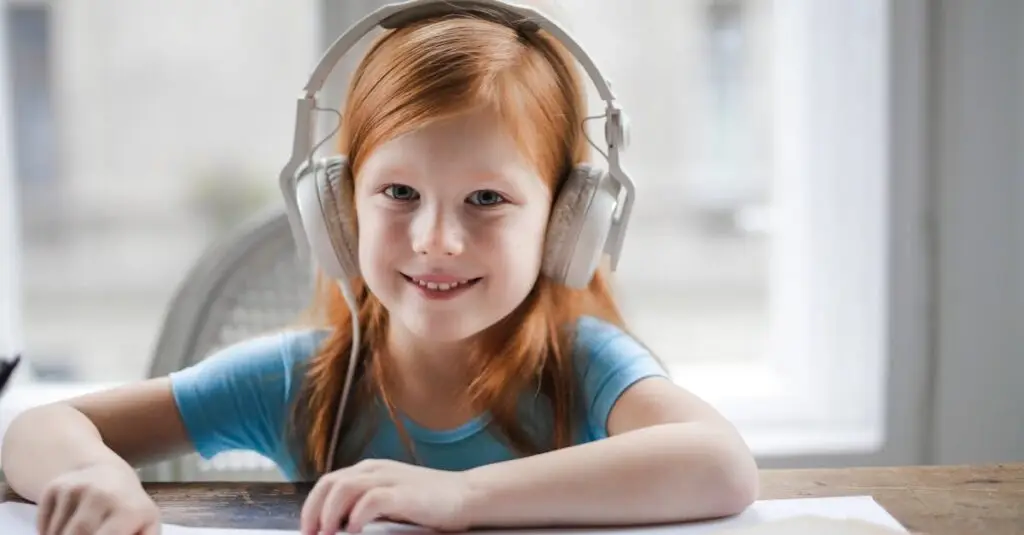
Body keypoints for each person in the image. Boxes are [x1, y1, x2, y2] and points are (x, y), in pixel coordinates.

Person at [1, 4, 759, 535]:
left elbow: (721, 463)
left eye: (487, 199)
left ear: (567, 222)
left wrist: (461, 496)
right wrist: (93, 474)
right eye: (399, 193)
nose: (437, 240)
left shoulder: (583, 367)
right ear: (337, 209)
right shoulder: (298, 380)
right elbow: (40, 427)